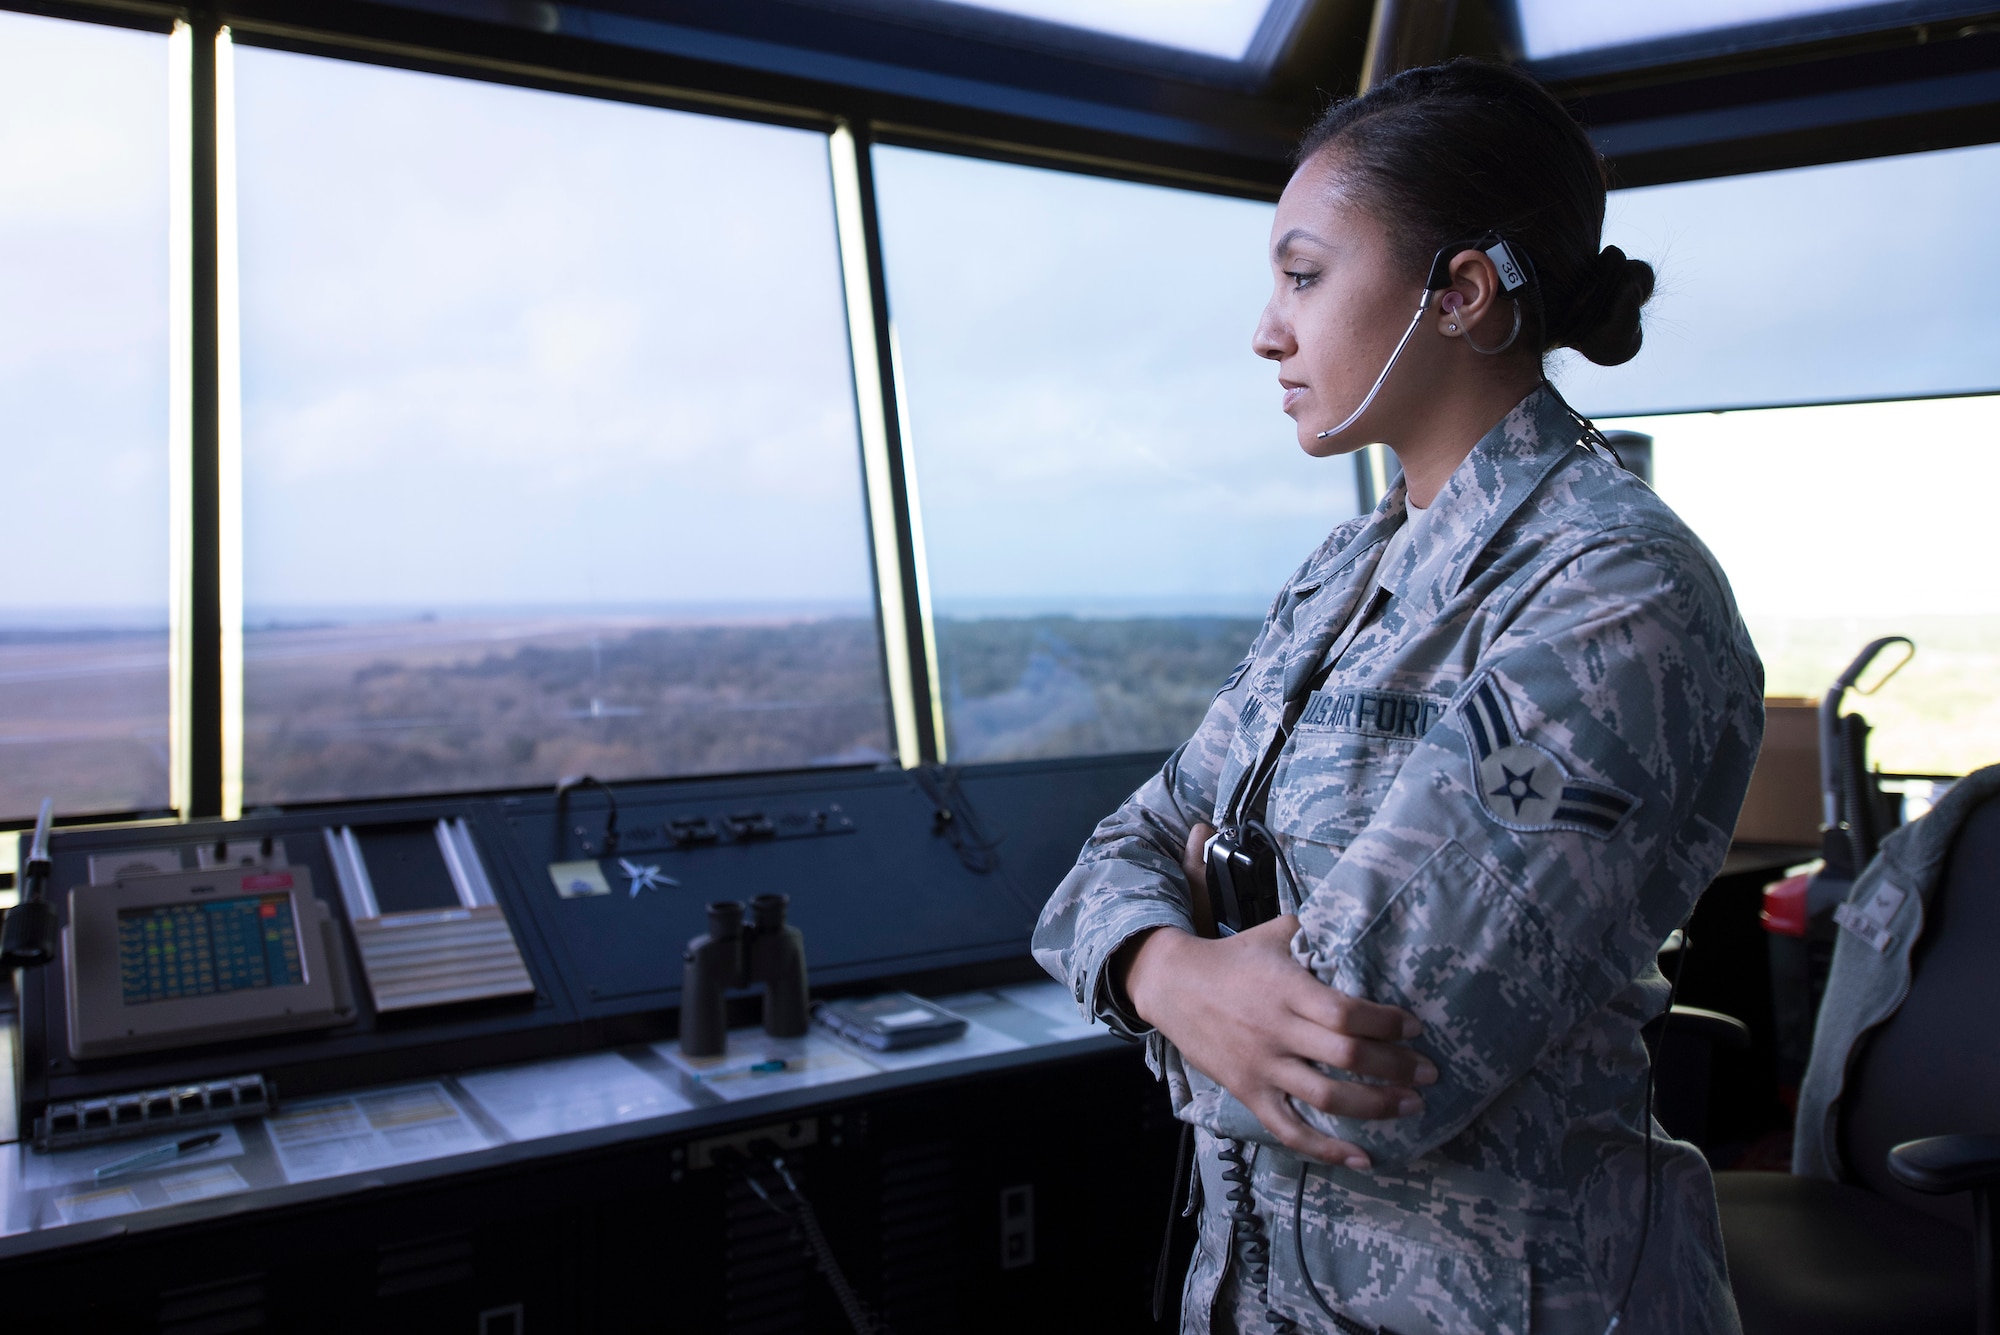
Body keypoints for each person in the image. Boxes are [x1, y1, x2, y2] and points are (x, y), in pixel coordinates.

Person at [1032, 60, 1763, 1335]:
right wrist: (1164, 966)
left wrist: (1169, 951)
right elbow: (1115, 852)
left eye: (1304, 277)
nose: (1267, 329)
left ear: (1462, 293)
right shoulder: (1345, 570)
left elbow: (1367, 1068)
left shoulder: (1613, 596)